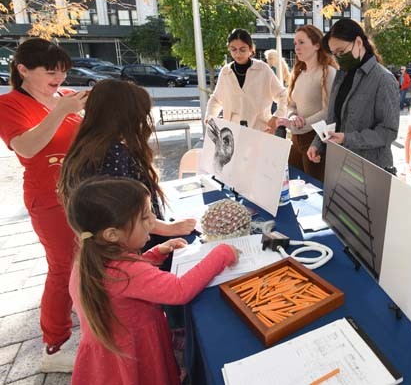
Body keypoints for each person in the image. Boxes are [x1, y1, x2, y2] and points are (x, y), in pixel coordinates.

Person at [66, 176, 238, 385]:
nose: (152, 221)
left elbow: (122, 284)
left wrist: (154, 254)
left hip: (113, 348)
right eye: (144, 218)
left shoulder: (88, 259)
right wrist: (222, 253)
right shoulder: (127, 272)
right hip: (137, 351)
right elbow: (179, 290)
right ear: (112, 234)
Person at [0, 38, 87, 372]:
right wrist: (62, 112)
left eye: (63, 71)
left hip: (82, 191)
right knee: (62, 266)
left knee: (90, 259)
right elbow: (26, 147)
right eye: (51, 72)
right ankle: (54, 346)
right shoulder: (10, 104)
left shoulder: (65, 98)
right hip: (49, 198)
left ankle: (91, 322)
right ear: (23, 70)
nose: (59, 79)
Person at [58, 79, 196, 266]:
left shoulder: (88, 147)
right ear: (125, 116)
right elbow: (124, 210)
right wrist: (167, 228)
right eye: (141, 115)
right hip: (136, 249)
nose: (144, 121)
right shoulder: (113, 153)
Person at [307, 19, 399, 171]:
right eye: (334, 54)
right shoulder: (341, 75)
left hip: (371, 168)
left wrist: (347, 138)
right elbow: (333, 118)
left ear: (358, 42)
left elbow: (388, 132)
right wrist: (318, 143)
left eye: (341, 52)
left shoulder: (384, 79)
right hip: (341, 164)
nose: (338, 58)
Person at [276, 25, 337, 181]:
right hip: (296, 140)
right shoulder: (299, 73)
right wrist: (293, 117)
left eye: (301, 42)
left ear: (317, 45)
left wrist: (301, 123)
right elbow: (291, 104)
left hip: (315, 141)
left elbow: (330, 111)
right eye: (295, 43)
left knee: (315, 192)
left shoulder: (328, 72)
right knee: (293, 188)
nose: (297, 47)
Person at [206, 28, 287, 132]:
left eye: (242, 49)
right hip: (233, 134)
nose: (238, 54)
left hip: (260, 132)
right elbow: (216, 99)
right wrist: (209, 116)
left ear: (251, 49)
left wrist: (277, 116)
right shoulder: (225, 72)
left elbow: (282, 95)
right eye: (233, 49)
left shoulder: (263, 69)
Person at [263, 49, 292, 139]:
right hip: (277, 99)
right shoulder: (280, 68)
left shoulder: (273, 69)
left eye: (269, 58)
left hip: (276, 99)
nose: (267, 60)